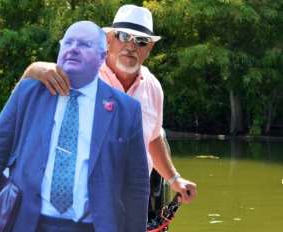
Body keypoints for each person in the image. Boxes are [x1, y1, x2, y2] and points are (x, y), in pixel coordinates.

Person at [0, 21, 149, 232]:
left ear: (102, 57)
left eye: (84, 44)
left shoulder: (125, 110)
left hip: (93, 226)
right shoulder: (29, 92)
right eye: (68, 42)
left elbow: (136, 185)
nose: (73, 48)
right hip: (26, 222)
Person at [22, 4, 197, 203]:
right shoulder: (79, 74)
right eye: (123, 36)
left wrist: (174, 179)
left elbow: (152, 138)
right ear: (109, 39)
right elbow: (21, 110)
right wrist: (34, 69)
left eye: (140, 41)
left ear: (150, 48)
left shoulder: (153, 88)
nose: (131, 46)